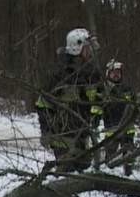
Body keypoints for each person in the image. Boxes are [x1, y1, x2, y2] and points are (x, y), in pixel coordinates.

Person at [36, 28, 102, 173]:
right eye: (87, 48)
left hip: (82, 135)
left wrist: (97, 114)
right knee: (67, 177)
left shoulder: (92, 73)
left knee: (83, 174)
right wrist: (46, 130)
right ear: (77, 48)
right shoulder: (60, 74)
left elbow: (99, 98)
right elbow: (43, 104)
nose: (90, 52)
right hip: (62, 137)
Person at [101, 59, 137, 176]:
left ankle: (129, 174)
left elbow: (136, 105)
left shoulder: (128, 89)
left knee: (129, 155)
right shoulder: (105, 90)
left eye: (118, 72)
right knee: (110, 156)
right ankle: (107, 175)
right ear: (108, 74)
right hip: (111, 129)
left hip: (128, 128)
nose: (116, 75)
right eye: (113, 73)